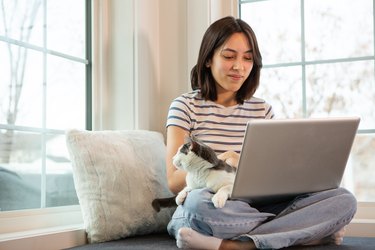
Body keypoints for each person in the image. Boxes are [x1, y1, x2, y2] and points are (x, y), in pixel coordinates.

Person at [165, 16, 356, 250]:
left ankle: (239, 245)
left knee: (343, 200)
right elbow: (174, 181)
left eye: (248, 58)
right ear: (207, 59)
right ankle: (301, 233)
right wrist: (222, 165)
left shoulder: (262, 109)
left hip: (253, 207)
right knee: (198, 204)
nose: (239, 66)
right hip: (213, 205)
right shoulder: (185, 106)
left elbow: (276, 177)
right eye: (228, 56)